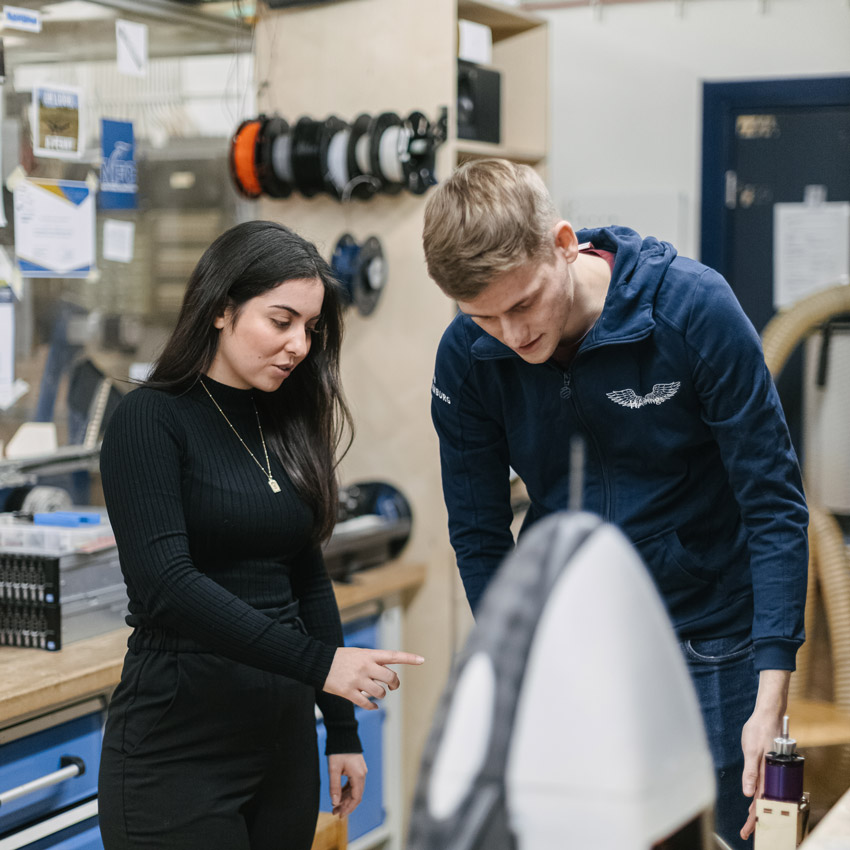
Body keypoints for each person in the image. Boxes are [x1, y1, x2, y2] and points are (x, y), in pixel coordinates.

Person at [423, 159, 807, 849]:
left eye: (523, 303)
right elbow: (480, 536)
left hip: (710, 636)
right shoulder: (468, 359)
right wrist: (515, 673)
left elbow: (774, 504)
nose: (511, 334)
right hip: (573, 648)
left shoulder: (691, 310)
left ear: (564, 243)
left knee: (716, 832)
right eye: (483, 316)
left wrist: (771, 686)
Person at [98, 220, 424, 850]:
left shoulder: (286, 422)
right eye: (281, 321)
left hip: (283, 748)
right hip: (177, 750)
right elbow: (166, 585)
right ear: (222, 309)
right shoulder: (149, 419)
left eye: (310, 327)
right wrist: (322, 665)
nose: (299, 344)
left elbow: (306, 580)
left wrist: (343, 731)